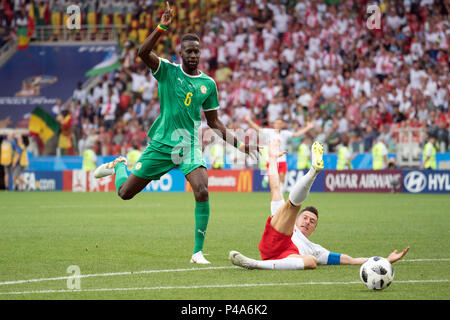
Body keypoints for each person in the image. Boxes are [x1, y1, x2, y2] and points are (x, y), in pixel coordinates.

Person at [93, 2, 259, 264]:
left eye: (197, 52)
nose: (193, 55)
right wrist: (161, 27)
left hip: (187, 145)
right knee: (125, 193)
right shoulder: (167, 71)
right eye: (189, 51)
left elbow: (215, 122)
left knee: (202, 190)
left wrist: (242, 146)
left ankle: (197, 252)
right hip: (161, 144)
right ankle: (119, 166)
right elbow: (142, 51)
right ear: (181, 53)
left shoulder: (208, 84)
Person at [229, 139, 410, 270]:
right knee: (291, 206)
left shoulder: (315, 249)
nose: (307, 222)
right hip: (275, 241)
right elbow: (275, 185)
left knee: (311, 262)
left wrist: (385, 260)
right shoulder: (291, 223)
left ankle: (255, 264)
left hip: (289, 256)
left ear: (315, 228)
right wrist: (273, 160)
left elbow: (351, 260)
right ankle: (314, 172)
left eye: (312, 221)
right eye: (306, 218)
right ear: (299, 220)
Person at [245, 115, 315, 193]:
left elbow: (296, 134)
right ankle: (266, 177)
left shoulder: (285, 133)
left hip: (282, 158)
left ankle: (280, 193)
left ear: (282, 125)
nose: (278, 125)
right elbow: (258, 129)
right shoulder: (269, 132)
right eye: (276, 123)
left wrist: (308, 127)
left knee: (282, 177)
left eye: (280, 123)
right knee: (272, 178)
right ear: (274, 124)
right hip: (272, 159)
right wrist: (249, 120)